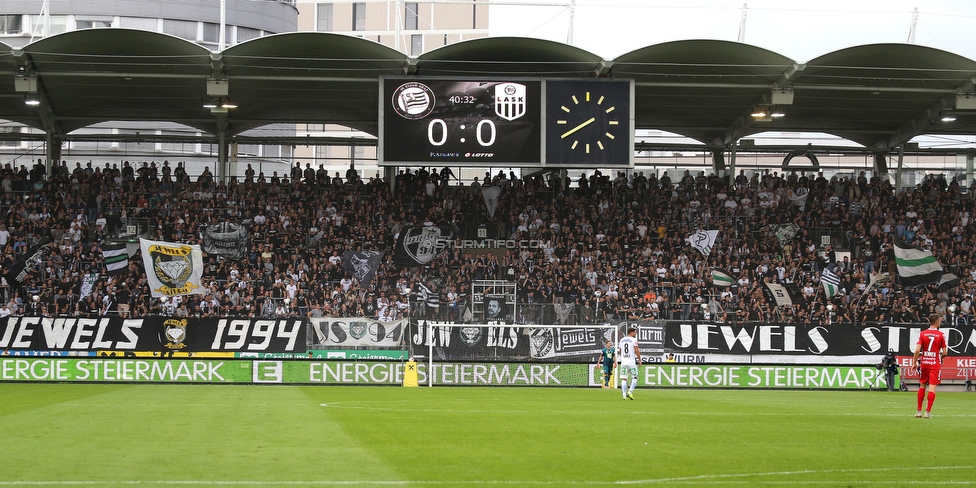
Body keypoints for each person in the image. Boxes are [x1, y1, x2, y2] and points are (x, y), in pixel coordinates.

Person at [913, 313, 948, 418]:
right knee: (932, 388)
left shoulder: (923, 334)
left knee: (922, 385)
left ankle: (918, 411)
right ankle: (927, 413)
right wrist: (940, 358)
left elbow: (917, 350)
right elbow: (945, 352)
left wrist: (914, 363)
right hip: (934, 364)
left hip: (924, 363)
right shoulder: (941, 335)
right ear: (937, 322)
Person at [617, 327, 641, 400]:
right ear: (631, 332)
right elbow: (637, 350)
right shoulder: (634, 340)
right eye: (635, 332)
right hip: (631, 362)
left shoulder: (622, 340)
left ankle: (624, 395)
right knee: (635, 377)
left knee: (624, 379)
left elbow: (620, 351)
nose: (635, 333)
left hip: (624, 362)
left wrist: (623, 358)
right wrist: (640, 359)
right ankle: (630, 392)